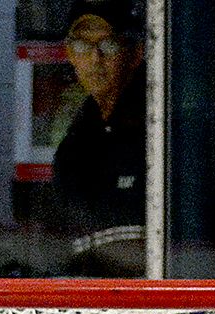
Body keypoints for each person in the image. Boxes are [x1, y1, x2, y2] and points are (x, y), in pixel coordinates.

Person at [46, 0, 144, 277]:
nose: (94, 58)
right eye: (81, 46)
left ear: (136, 53)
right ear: (70, 55)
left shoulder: (165, 133)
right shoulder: (74, 147)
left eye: (109, 44)